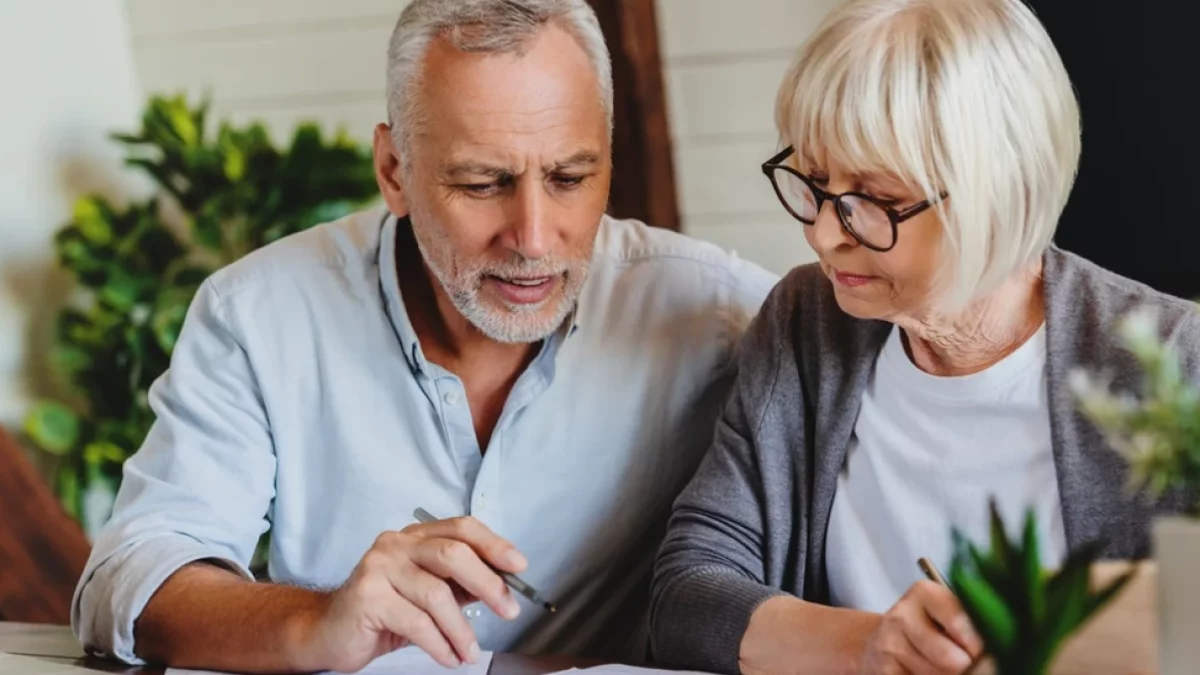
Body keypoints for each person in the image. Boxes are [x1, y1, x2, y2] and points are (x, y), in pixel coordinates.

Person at [72, 1, 777, 672]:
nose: (532, 239)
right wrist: (317, 622)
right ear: (394, 171)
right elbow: (130, 575)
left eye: (569, 177)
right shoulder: (258, 315)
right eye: (480, 183)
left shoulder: (716, 313)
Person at [648, 1, 1200, 674]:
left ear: (997, 194)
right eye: (817, 185)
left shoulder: (1175, 361)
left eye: (873, 201)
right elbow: (687, 592)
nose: (824, 234)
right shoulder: (804, 321)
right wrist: (871, 644)